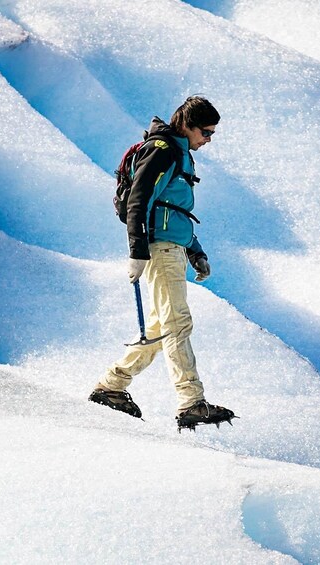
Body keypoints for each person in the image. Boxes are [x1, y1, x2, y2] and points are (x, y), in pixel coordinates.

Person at [89, 96, 235, 430]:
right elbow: (140, 200)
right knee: (177, 323)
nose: (209, 139)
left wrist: (195, 250)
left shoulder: (178, 153)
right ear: (187, 124)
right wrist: (137, 252)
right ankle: (191, 402)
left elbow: (172, 210)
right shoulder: (163, 149)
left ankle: (111, 386)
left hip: (171, 248)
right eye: (206, 131)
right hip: (160, 250)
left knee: (158, 329)